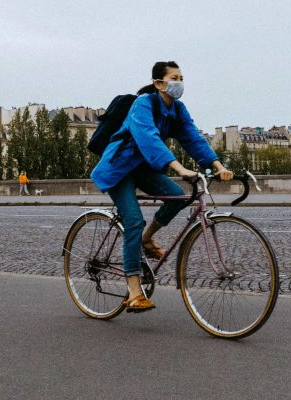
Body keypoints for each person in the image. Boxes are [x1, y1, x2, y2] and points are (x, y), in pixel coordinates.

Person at [91, 61, 233, 312]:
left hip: (143, 169)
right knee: (133, 220)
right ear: (158, 83)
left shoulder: (177, 109)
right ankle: (134, 291)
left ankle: (145, 240)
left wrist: (218, 165)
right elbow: (148, 138)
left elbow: (193, 137)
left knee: (178, 196)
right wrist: (179, 168)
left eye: (181, 78)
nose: (179, 83)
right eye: (174, 78)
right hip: (119, 168)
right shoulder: (142, 104)